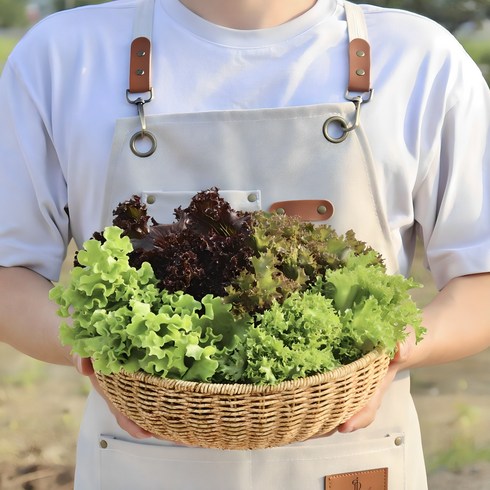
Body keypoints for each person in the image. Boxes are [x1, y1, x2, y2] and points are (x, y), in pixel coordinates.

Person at [0, 0, 489, 488]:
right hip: (142, 466)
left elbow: (480, 278)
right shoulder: (63, 57)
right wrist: (98, 349)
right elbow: (8, 274)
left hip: (349, 461)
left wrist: (398, 346)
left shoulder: (420, 58)